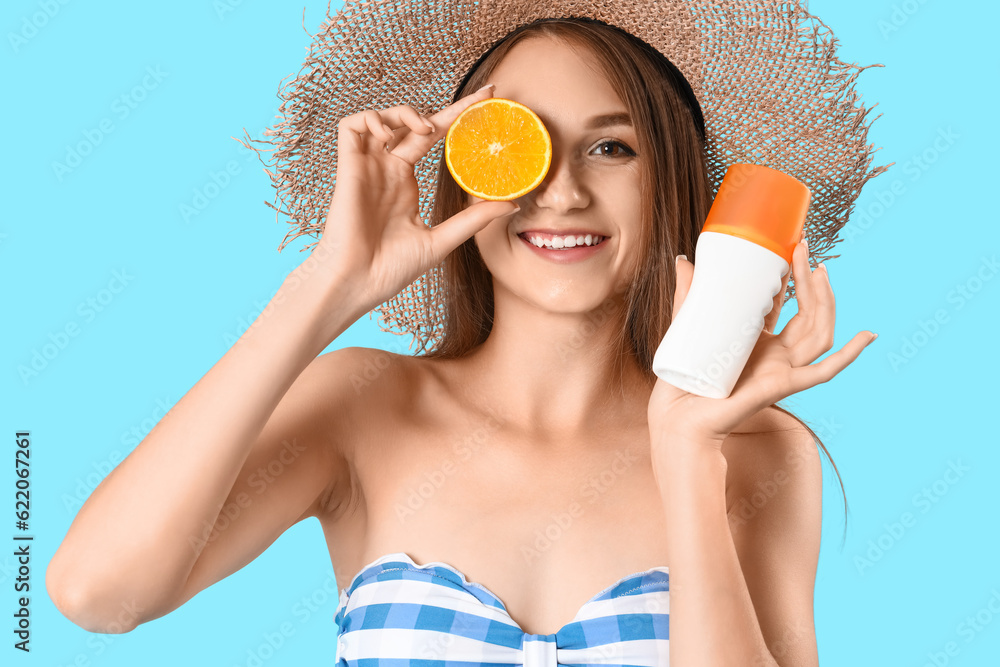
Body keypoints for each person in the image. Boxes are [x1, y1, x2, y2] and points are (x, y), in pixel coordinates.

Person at [47, 13, 879, 666]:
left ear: (673, 179)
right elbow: (98, 593)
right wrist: (328, 286)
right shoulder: (364, 404)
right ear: (462, 176)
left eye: (611, 146)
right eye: (523, 145)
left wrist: (687, 448)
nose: (559, 190)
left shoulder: (760, 449)